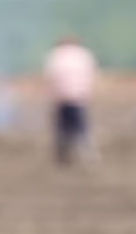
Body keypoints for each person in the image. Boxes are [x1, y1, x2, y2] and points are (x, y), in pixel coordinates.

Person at [42, 34, 99, 166]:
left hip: (61, 98)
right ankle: (87, 155)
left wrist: (52, 95)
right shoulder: (84, 55)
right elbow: (91, 75)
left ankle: (63, 157)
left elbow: (50, 77)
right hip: (79, 97)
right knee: (82, 128)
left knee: (62, 129)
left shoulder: (55, 55)